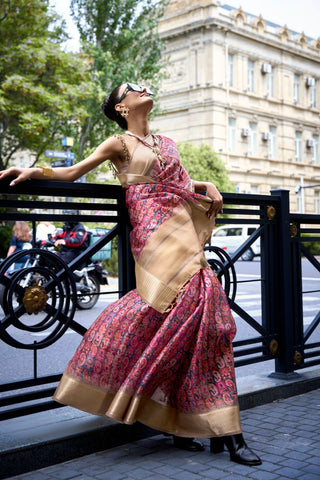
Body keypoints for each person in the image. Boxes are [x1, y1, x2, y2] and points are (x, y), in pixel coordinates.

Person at [0, 82, 261, 466]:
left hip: (182, 232)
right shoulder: (117, 144)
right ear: (122, 107)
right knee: (173, 316)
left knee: (208, 325)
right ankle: (206, 428)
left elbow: (185, 185)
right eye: (132, 89)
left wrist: (211, 184)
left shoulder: (168, 142)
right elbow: (73, 172)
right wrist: (33, 170)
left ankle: (214, 427)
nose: (143, 88)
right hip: (153, 239)